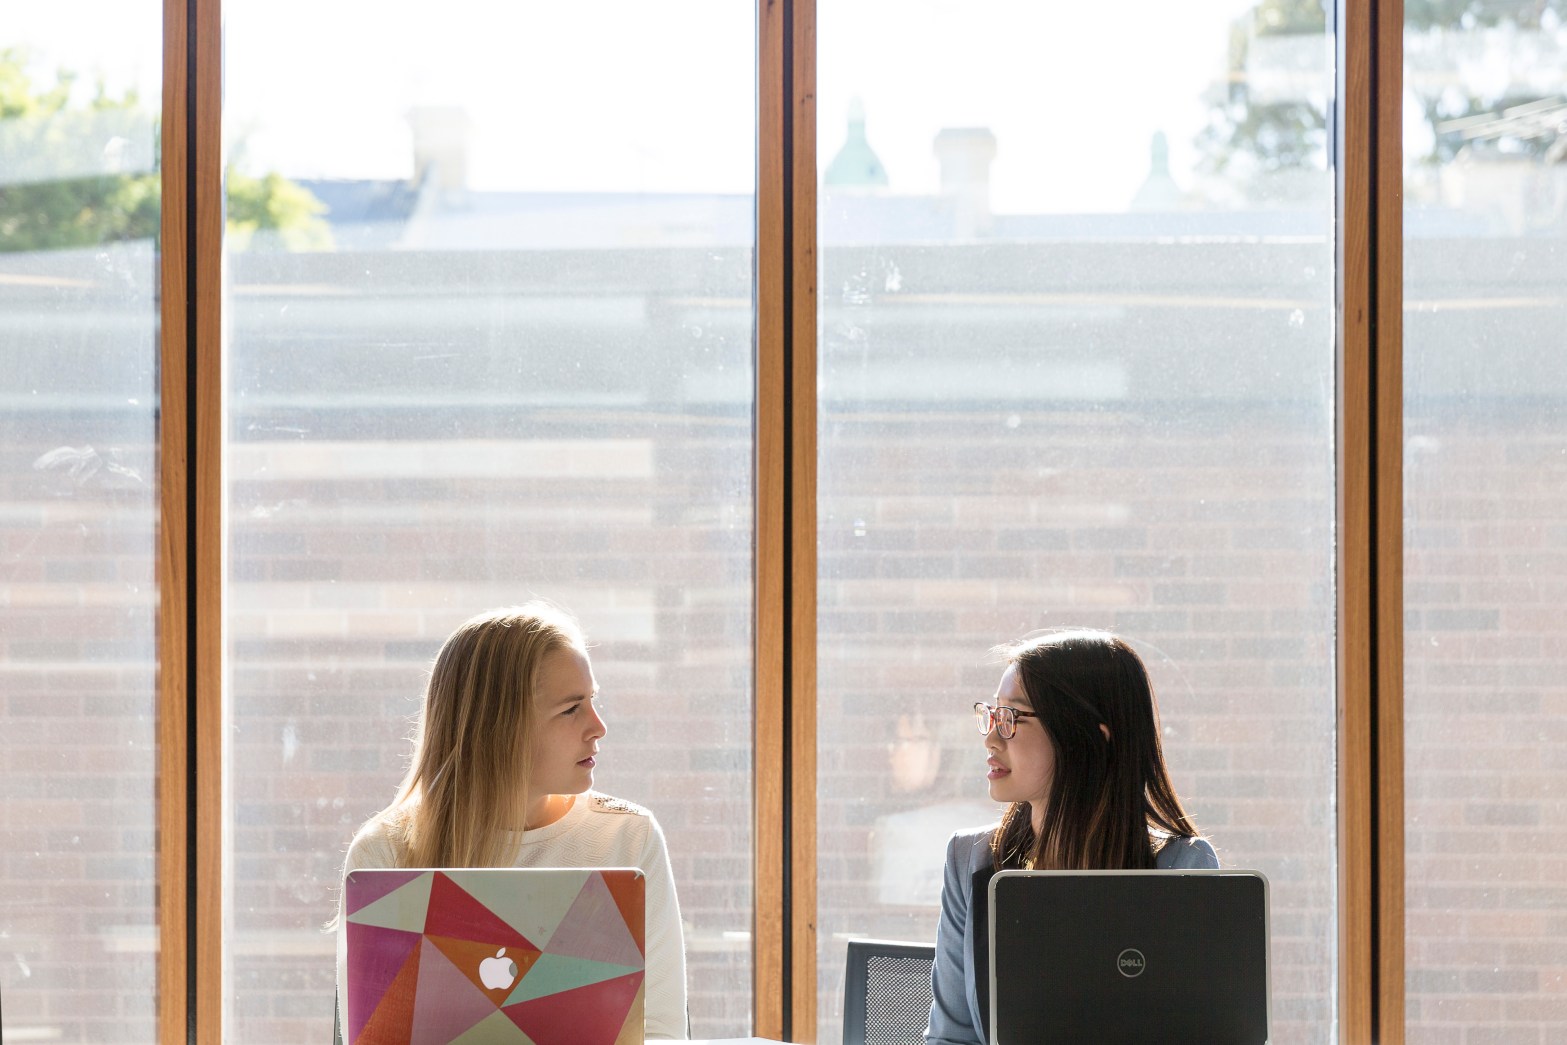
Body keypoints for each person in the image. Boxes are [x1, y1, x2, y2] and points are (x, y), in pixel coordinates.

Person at [336, 603, 688, 1039]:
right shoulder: (384, 852)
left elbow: (663, 1033)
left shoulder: (630, 838)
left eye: (592, 701)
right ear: (499, 727)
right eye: (571, 708)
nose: (598, 726)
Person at [926, 629, 1217, 1045]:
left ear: (1091, 739)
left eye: (1012, 719)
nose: (991, 737)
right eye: (992, 715)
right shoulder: (969, 860)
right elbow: (951, 1037)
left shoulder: (1181, 868)